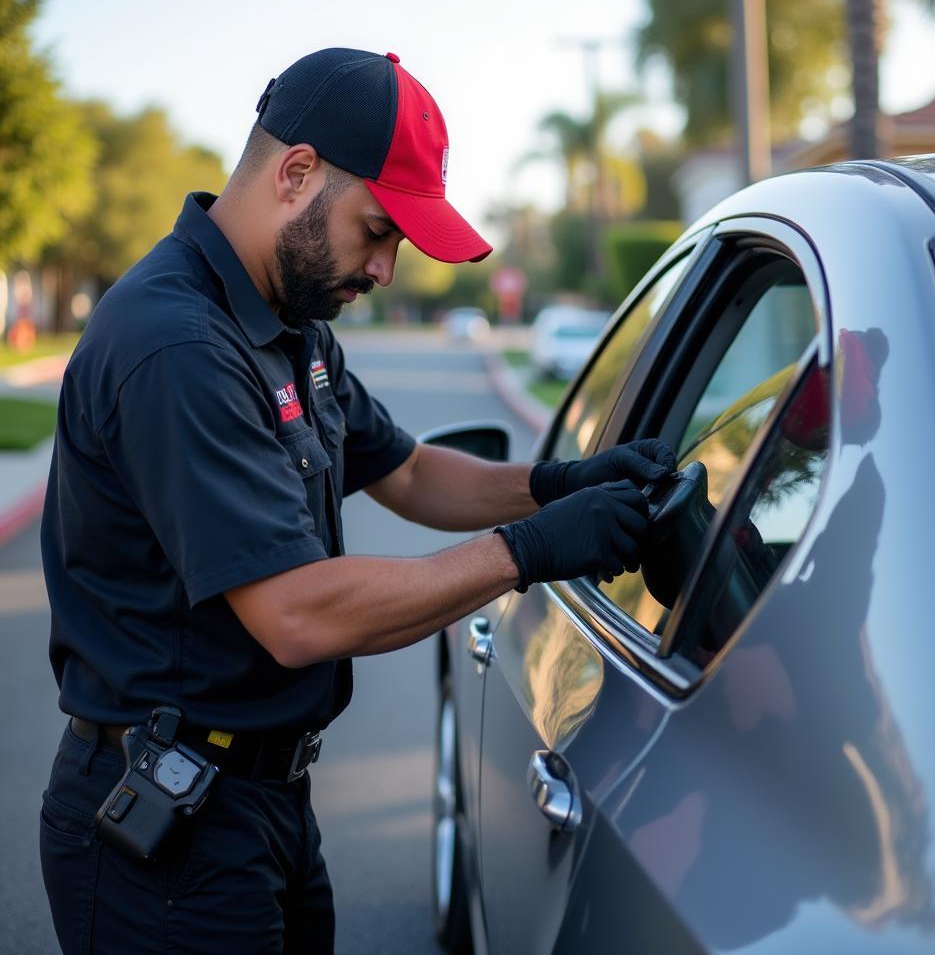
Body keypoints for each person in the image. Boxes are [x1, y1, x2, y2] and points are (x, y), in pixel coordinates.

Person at [39, 47, 675, 954]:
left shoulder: (288, 323)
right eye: (378, 230)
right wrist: (527, 551)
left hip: (260, 807)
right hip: (168, 850)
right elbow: (297, 614)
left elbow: (408, 470)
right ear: (296, 173)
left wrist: (557, 483)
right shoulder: (177, 346)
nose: (385, 269)